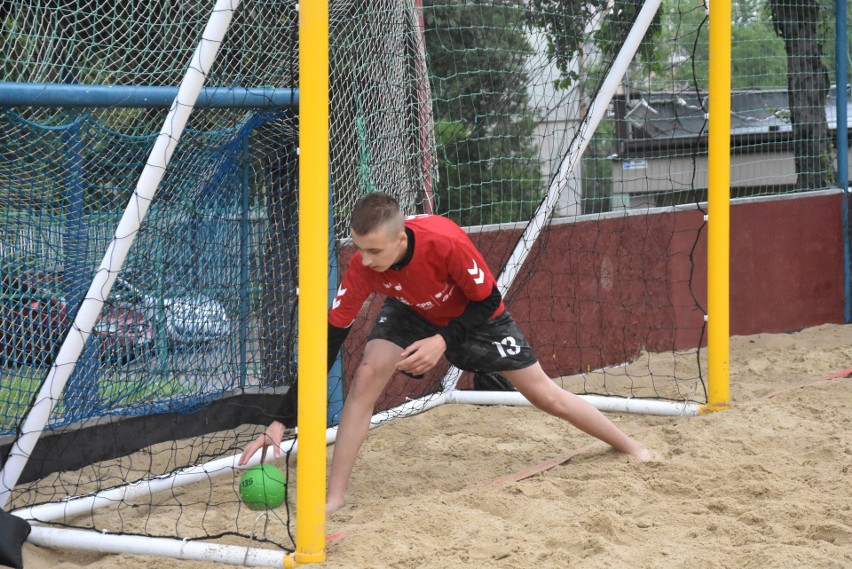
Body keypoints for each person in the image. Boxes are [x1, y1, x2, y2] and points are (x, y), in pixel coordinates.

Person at [239, 192, 649, 514]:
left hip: (474, 316)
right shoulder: (365, 266)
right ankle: (336, 496)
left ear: (401, 238)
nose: (364, 260)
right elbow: (327, 343)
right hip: (411, 308)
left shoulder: (444, 239)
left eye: (375, 251)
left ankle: (631, 447)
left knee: (544, 395)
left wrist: (443, 341)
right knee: (367, 374)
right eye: (360, 249)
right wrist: (280, 419)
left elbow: (488, 300)